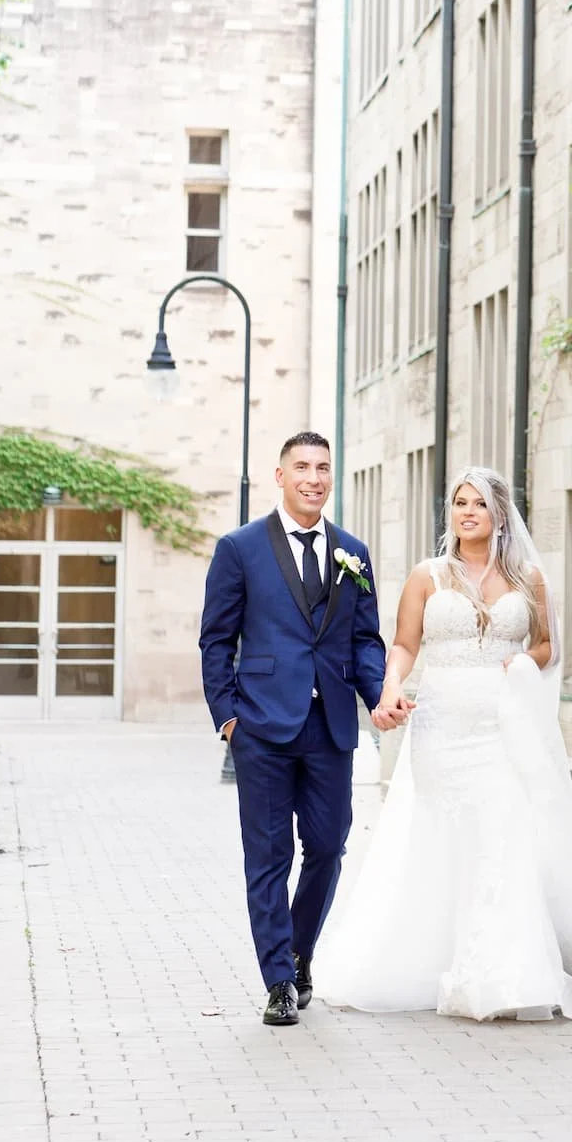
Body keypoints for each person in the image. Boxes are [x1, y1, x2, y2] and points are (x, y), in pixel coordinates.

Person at [318, 465, 572, 1021]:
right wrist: (389, 687)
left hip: (505, 726)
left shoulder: (529, 577)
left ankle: (508, 970)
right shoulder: (426, 576)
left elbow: (547, 645)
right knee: (444, 837)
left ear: (499, 514)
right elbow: (404, 645)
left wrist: (525, 659)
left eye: (478, 503)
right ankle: (434, 957)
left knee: (503, 831)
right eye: (459, 502)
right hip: (441, 726)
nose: (467, 512)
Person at [197, 429, 386, 1027]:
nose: (313, 478)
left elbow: (365, 641)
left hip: (329, 726)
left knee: (328, 849)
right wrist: (228, 717)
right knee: (269, 857)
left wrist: (379, 698)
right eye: (301, 467)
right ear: (280, 476)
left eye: (323, 468)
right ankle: (279, 978)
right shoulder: (240, 548)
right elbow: (216, 639)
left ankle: (300, 951)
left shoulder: (353, 552)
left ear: (332, 478)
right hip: (261, 728)